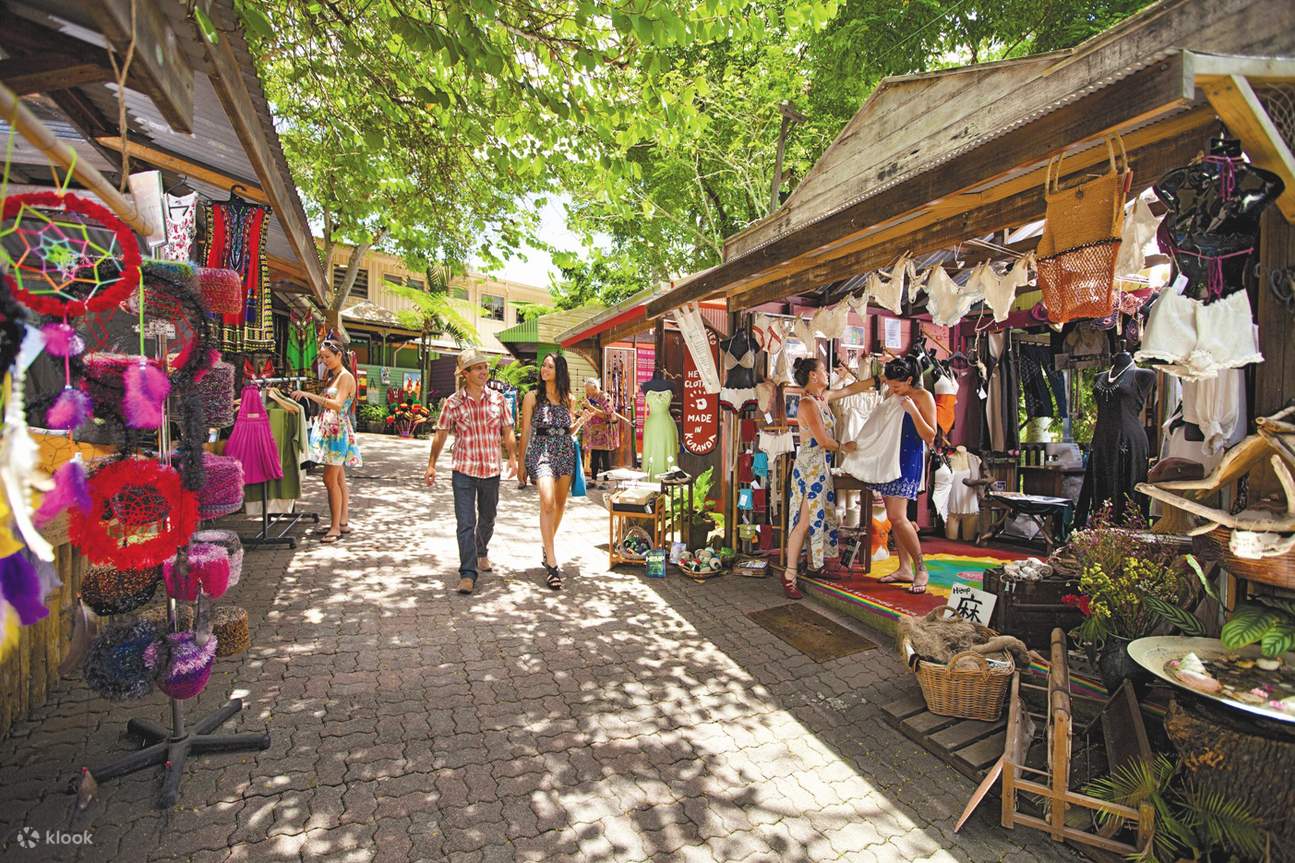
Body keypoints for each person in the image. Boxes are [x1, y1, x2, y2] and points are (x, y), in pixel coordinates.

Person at [782, 356, 877, 599]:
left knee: (820, 517)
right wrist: (846, 447)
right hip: (809, 467)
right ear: (813, 376)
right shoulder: (807, 404)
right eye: (823, 370)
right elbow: (823, 441)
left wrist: (878, 379)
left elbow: (849, 389)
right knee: (804, 521)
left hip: (820, 466)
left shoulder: (821, 399)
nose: (827, 373)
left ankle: (815, 564)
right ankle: (789, 575)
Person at [425, 349, 518, 595]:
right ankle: (467, 573)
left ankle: (481, 550)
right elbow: (441, 433)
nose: (483, 372)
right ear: (465, 373)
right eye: (477, 368)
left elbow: (507, 430)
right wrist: (432, 464)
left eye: (485, 367)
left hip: (490, 470)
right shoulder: (453, 402)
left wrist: (514, 458)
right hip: (463, 471)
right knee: (466, 522)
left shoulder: (498, 400)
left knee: (488, 518)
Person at [519, 354, 594, 590]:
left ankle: (546, 544)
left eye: (549, 367)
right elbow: (525, 431)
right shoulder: (532, 397)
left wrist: (581, 421)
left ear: (559, 371)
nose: (544, 370)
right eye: (543, 365)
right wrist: (521, 464)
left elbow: (568, 430)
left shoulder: (568, 399)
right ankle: (552, 563)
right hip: (540, 451)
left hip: (564, 452)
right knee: (548, 502)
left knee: (561, 504)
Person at [872, 355, 938, 594]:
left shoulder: (923, 397)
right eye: (889, 383)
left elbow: (930, 436)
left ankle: (921, 568)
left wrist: (913, 410)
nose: (892, 387)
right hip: (888, 458)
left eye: (897, 384)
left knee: (898, 517)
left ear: (910, 379)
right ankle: (904, 568)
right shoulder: (892, 393)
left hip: (908, 459)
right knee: (895, 518)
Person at [294, 340, 361, 544]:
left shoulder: (345, 377)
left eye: (327, 357)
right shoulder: (334, 376)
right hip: (331, 431)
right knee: (338, 480)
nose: (324, 361)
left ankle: (335, 528)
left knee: (330, 480)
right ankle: (341, 522)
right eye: (322, 358)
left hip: (337, 433)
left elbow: (338, 405)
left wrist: (309, 395)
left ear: (339, 355)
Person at [579, 377, 628, 487]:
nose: (587, 392)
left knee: (605, 458)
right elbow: (588, 410)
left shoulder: (605, 397)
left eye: (588, 389)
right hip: (594, 431)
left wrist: (591, 407)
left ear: (595, 387)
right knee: (594, 457)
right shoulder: (590, 396)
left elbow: (607, 415)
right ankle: (593, 480)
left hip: (604, 431)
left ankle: (606, 481)